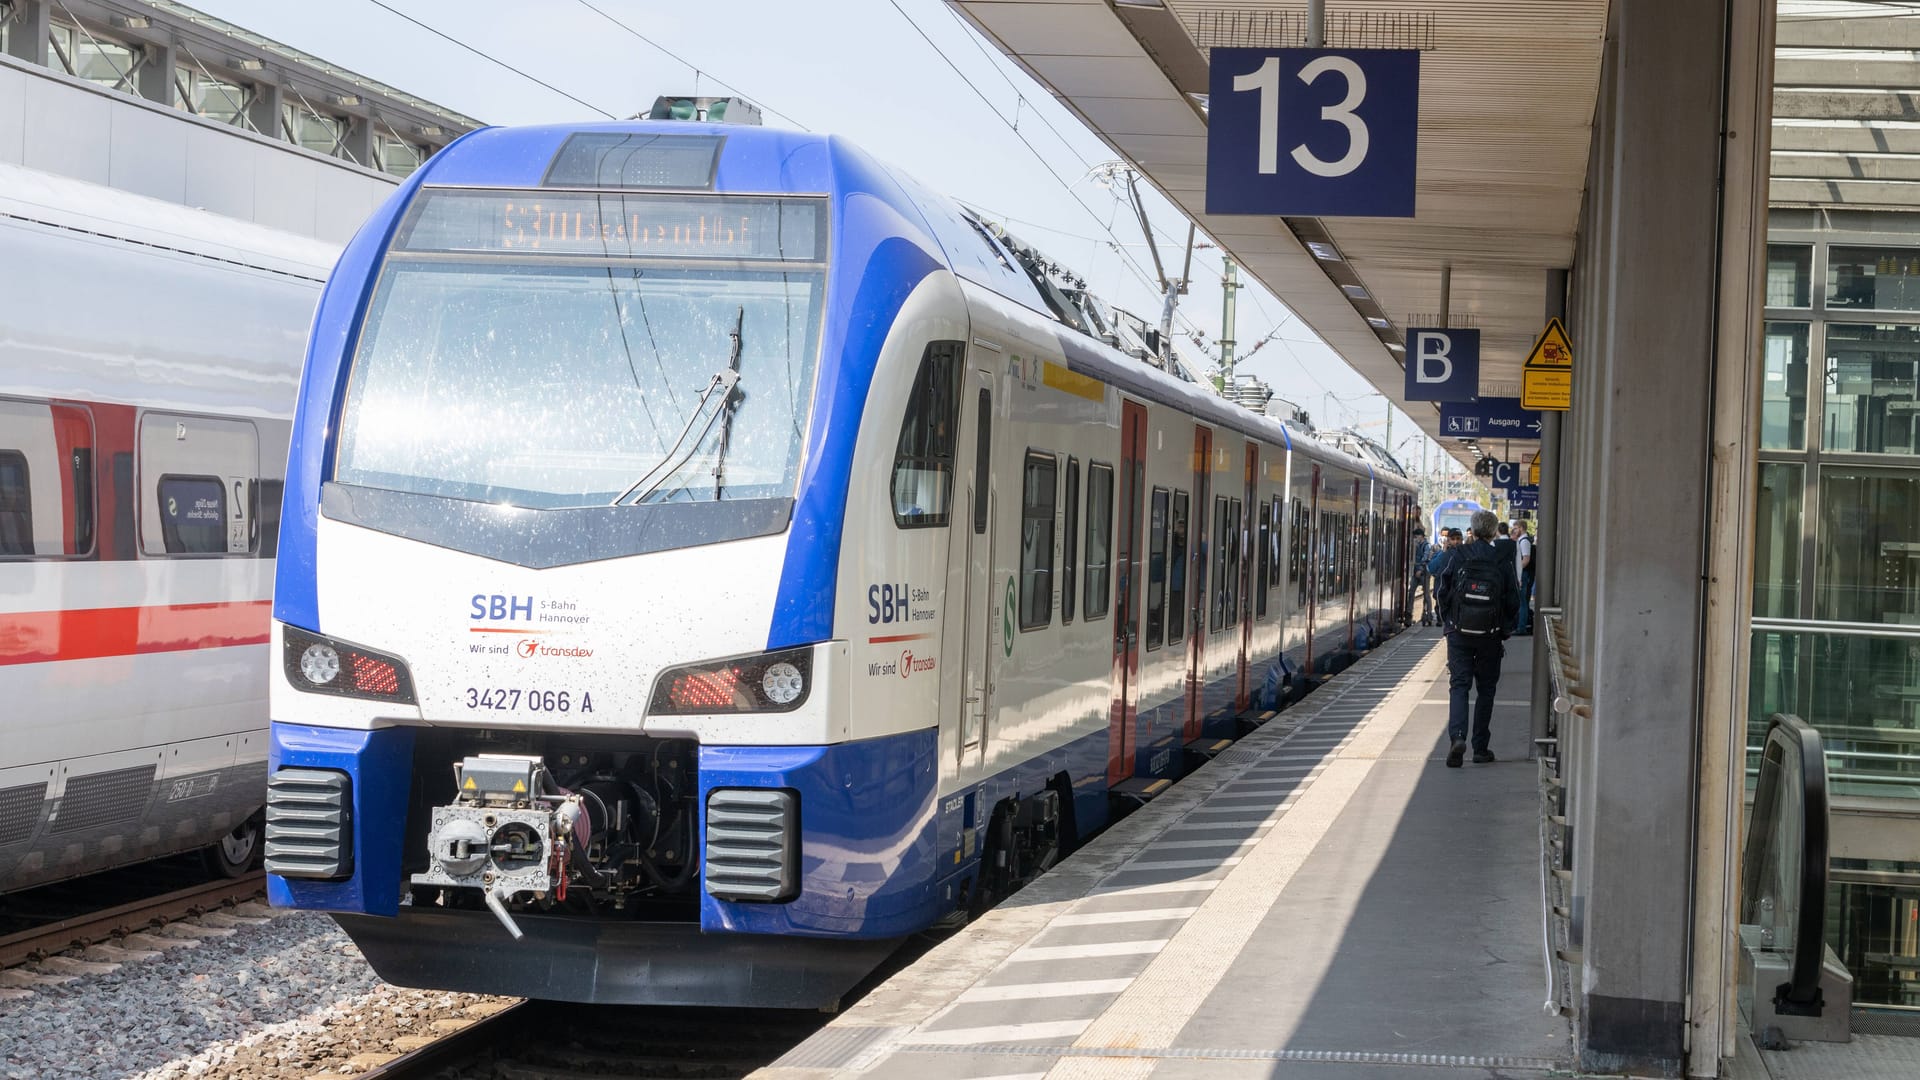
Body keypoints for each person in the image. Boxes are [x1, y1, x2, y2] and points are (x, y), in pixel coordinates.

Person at [1431, 510, 1520, 768]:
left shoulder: (1457, 555)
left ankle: (1458, 738)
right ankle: (1480, 747)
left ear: (1472, 529)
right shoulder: (1500, 559)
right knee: (1486, 689)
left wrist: (1448, 620)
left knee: (1459, 686)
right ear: (1493, 532)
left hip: (1459, 632)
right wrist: (1505, 629)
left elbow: (1441, 590)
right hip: (1490, 636)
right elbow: (1512, 598)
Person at [1513, 521, 1535, 635]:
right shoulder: (1523, 540)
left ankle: (1521, 627)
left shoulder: (1524, 541)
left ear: (1521, 528)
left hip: (1524, 574)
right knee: (1523, 601)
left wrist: (1517, 570)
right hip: (1524, 574)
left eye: (1516, 528)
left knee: (1522, 602)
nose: (1514, 530)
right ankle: (1521, 625)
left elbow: (1526, 559)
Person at [1409, 527, 1434, 625]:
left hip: (1423, 572)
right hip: (1416, 572)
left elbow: (1426, 558)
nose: (1415, 539)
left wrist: (1420, 569)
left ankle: (1428, 615)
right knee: (1411, 593)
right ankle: (1409, 614)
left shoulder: (1427, 546)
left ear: (1421, 536)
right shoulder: (1416, 545)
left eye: (1416, 536)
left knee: (1427, 594)